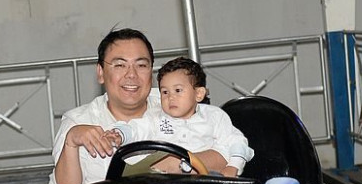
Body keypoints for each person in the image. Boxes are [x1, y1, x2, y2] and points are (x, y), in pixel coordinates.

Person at [47, 28, 247, 184]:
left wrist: (176, 165)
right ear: (100, 72)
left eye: (141, 65)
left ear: (151, 71)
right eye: (120, 65)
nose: (131, 75)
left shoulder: (174, 100)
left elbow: (225, 150)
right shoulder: (78, 122)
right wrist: (71, 143)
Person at [108, 57, 253, 176]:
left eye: (178, 90)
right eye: (165, 92)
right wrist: (119, 134)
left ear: (199, 94)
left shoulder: (214, 116)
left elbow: (236, 141)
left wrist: (233, 166)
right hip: (166, 183)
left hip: (206, 180)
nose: (170, 97)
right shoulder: (155, 118)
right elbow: (136, 129)